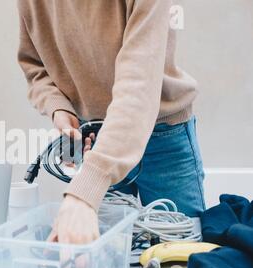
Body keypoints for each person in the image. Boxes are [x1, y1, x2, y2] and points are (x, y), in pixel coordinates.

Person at [17, 0, 205, 244]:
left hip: (163, 137)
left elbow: (138, 86)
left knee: (183, 254)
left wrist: (85, 192)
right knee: (108, 265)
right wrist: (57, 106)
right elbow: (34, 65)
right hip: (97, 138)